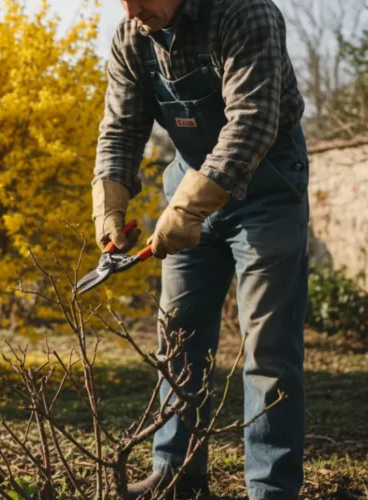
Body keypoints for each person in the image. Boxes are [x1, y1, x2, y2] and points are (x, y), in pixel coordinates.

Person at [91, 0, 309, 498]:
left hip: (268, 190)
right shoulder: (131, 37)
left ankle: (271, 489)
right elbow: (121, 128)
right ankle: (176, 475)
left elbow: (252, 121)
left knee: (269, 347)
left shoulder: (244, 13)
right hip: (188, 189)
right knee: (178, 339)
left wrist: (188, 209)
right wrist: (110, 208)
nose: (132, 9)